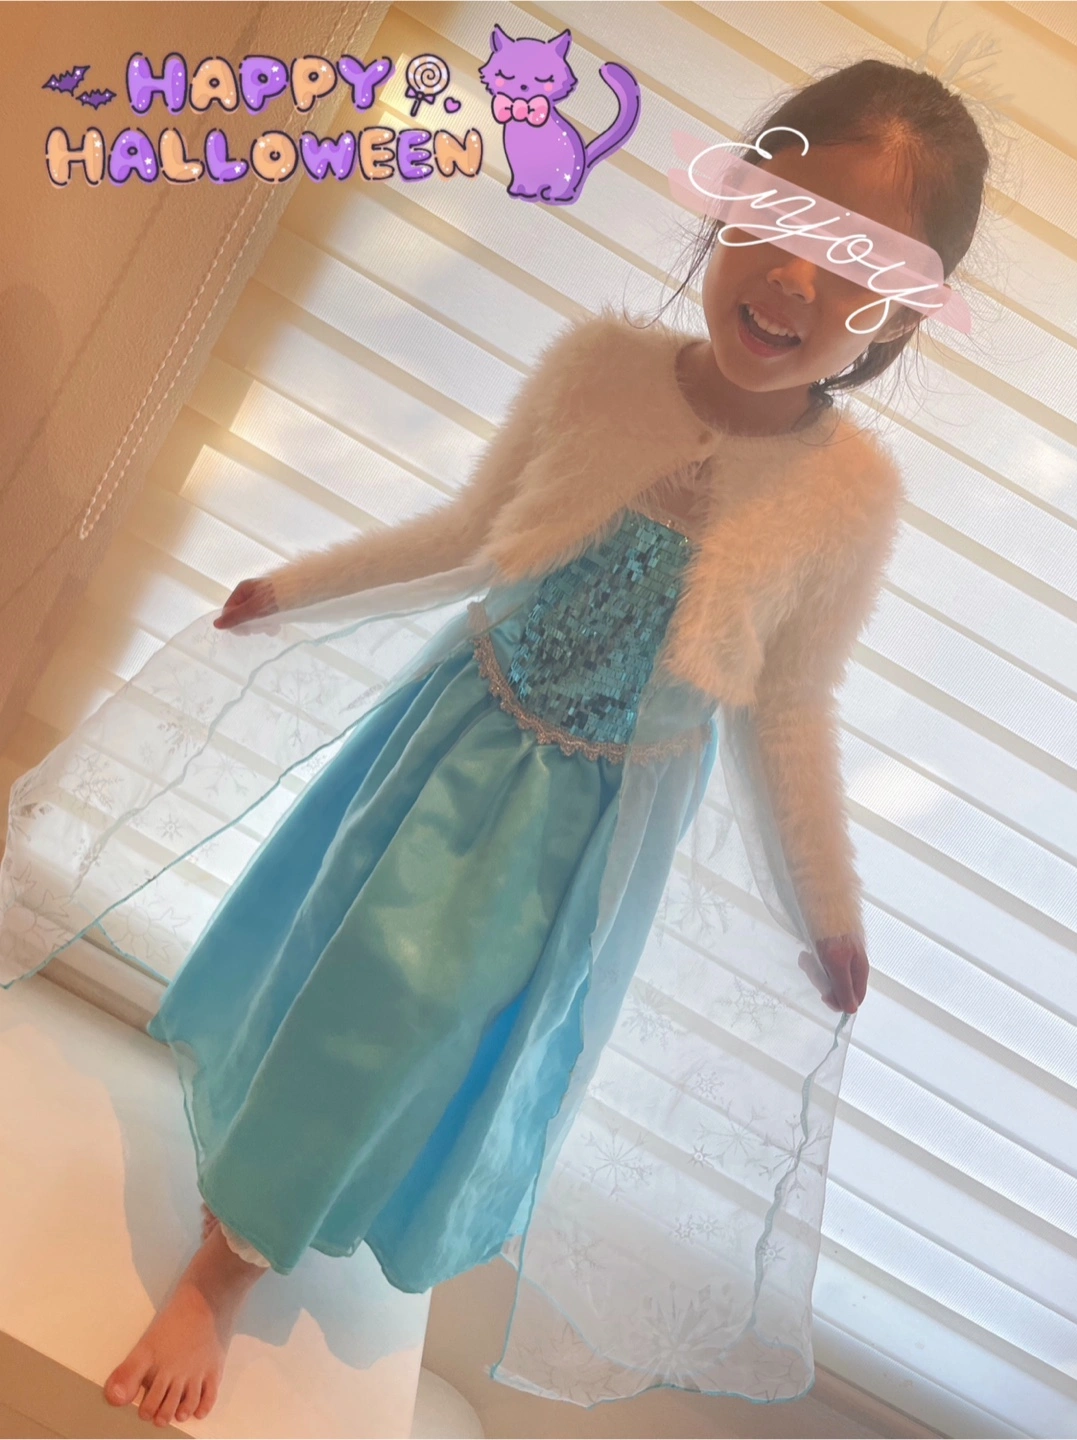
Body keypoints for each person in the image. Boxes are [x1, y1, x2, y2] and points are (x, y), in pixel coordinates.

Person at [0, 57, 989, 1427]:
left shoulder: (849, 498)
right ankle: (226, 1262)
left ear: (898, 319)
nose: (796, 281)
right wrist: (297, 588)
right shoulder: (600, 371)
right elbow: (472, 536)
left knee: (434, 1029)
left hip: (593, 832)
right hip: (452, 746)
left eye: (859, 267)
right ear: (729, 205)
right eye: (781, 221)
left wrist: (830, 913)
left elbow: (790, 708)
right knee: (365, 983)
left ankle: (275, 1227)